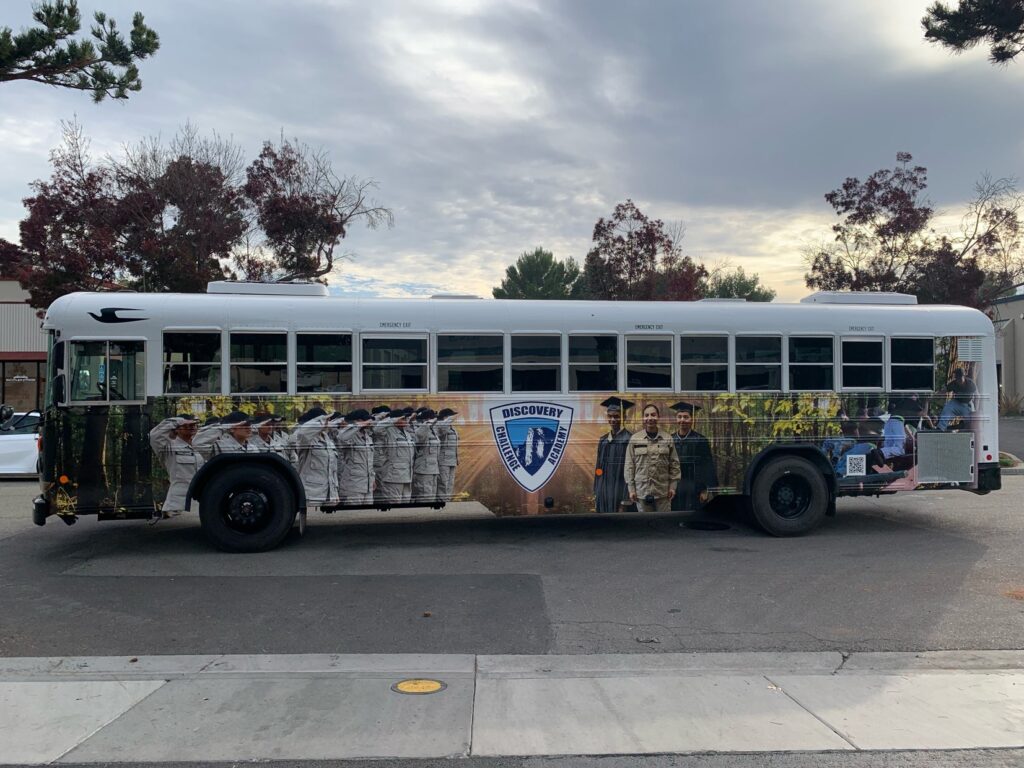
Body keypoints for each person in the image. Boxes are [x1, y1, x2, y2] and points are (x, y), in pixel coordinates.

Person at [624, 403, 680, 513]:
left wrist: (673, 487)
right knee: (645, 525)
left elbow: (674, 464)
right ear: (643, 418)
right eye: (647, 415)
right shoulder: (635, 439)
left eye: (653, 415)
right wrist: (631, 489)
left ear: (658, 417)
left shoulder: (667, 438)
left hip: (663, 493)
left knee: (663, 524)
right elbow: (629, 465)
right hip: (642, 492)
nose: (650, 418)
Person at [148, 413, 203, 521]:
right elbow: (154, 436)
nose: (192, 426)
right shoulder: (169, 446)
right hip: (178, 505)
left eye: (194, 424)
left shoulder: (202, 446)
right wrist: (178, 421)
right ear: (176, 429)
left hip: (202, 503)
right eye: (187, 425)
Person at [669, 401, 718, 511]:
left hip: (695, 485)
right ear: (676, 419)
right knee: (675, 513)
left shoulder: (700, 440)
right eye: (679, 417)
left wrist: (705, 489)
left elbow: (707, 465)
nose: (682, 420)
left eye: (686, 417)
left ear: (692, 419)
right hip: (676, 485)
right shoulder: (670, 439)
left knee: (694, 513)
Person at [292, 406, 340, 506]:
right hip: (311, 491)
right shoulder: (305, 438)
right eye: (325, 419)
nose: (328, 421)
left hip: (328, 491)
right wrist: (319, 421)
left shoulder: (327, 438)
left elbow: (332, 468)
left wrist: (335, 492)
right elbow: (303, 433)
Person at [594, 396, 633, 513]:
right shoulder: (603, 440)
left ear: (624, 417)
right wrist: (597, 490)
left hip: (619, 492)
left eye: (616, 416)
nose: (613, 420)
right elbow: (598, 468)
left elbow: (630, 471)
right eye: (610, 416)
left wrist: (625, 501)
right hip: (604, 492)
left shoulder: (629, 439)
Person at [374, 406, 415, 504]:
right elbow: (377, 429)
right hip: (393, 476)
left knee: (405, 504)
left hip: (407, 475)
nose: (406, 420)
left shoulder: (406, 433)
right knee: (394, 504)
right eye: (403, 418)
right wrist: (392, 419)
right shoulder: (388, 431)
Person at [334, 408, 375, 506]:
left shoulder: (367, 437)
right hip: (353, 485)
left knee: (368, 515)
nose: (369, 422)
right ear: (358, 421)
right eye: (366, 420)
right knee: (354, 515)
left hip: (367, 485)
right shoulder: (350, 435)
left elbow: (369, 461)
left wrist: (373, 479)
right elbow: (341, 438)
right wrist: (357, 425)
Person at [412, 408, 441, 504]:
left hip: (433, 469)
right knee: (425, 496)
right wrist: (428, 423)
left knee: (431, 495)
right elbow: (420, 435)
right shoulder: (420, 429)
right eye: (433, 418)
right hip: (423, 470)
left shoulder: (432, 430)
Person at [435, 407, 460, 503]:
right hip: (443, 460)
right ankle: (441, 502)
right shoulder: (439, 425)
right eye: (451, 415)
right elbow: (442, 431)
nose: (453, 418)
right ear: (446, 417)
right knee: (443, 483)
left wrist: (457, 458)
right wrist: (448, 420)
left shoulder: (452, 427)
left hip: (452, 460)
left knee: (450, 483)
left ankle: (447, 501)